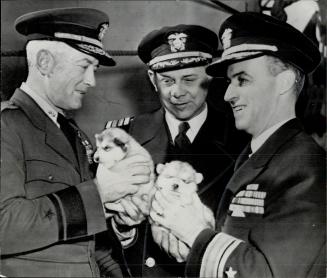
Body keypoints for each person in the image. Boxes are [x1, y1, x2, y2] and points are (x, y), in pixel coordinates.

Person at [150, 12, 326, 278]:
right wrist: (197, 233)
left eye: (242, 80)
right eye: (230, 81)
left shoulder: (306, 167)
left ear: (284, 82)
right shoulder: (258, 155)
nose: (228, 94)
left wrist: (194, 231)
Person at [0, 7, 151, 277]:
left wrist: (120, 225)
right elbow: (3, 226)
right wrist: (99, 194)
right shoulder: (7, 125)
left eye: (94, 69)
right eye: (84, 66)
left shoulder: (71, 132)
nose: (92, 81)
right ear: (44, 62)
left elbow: (89, 246)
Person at [105, 24, 248, 277]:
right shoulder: (124, 138)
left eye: (190, 80)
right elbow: (99, 239)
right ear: (152, 79)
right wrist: (121, 229)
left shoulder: (243, 139)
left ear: (210, 76)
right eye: (167, 81)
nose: (177, 93)